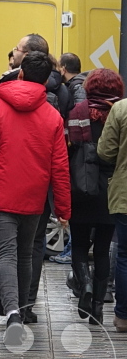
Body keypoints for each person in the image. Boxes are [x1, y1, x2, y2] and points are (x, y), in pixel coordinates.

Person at [0, 52, 71, 347]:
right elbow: (59, 166)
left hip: (2, 192)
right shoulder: (52, 116)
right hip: (34, 194)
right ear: (47, 80)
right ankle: (20, 307)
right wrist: (63, 208)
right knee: (25, 254)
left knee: (6, 253)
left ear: (20, 74)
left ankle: (12, 313)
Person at [66, 68, 122, 324]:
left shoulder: (79, 112)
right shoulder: (119, 113)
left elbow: (69, 148)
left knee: (78, 245)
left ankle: (84, 284)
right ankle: (98, 307)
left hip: (81, 186)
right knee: (101, 249)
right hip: (110, 190)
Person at [97, 87, 127, 334]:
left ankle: (123, 317)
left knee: (125, 255)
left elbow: (105, 151)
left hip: (126, 193)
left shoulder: (121, 109)